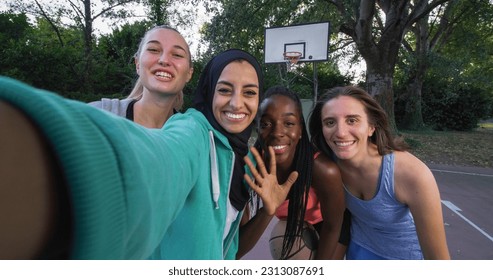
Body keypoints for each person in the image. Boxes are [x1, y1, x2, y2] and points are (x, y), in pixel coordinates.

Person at [0, 49, 294, 260]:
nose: (236, 103)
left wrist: (269, 210)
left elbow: (231, 249)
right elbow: (158, 160)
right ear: (208, 92)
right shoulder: (192, 130)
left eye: (250, 92)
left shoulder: (243, 158)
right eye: (225, 89)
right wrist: (56, 146)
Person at [308, 86, 450, 260]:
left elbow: (439, 261)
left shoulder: (412, 174)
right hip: (358, 251)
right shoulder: (326, 166)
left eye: (352, 120)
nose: (341, 132)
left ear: (371, 127)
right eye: (330, 122)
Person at [237, 86, 347, 260]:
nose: (277, 133)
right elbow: (237, 249)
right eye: (266, 124)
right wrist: (267, 211)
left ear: (301, 130)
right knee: (283, 236)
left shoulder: (323, 169)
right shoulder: (251, 166)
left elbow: (334, 227)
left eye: (288, 123)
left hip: (329, 227)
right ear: (257, 129)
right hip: (292, 226)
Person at [90, 25, 194, 128]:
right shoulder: (94, 117)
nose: (164, 60)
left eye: (177, 55)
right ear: (137, 64)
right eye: (153, 50)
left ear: (189, 73)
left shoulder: (196, 136)